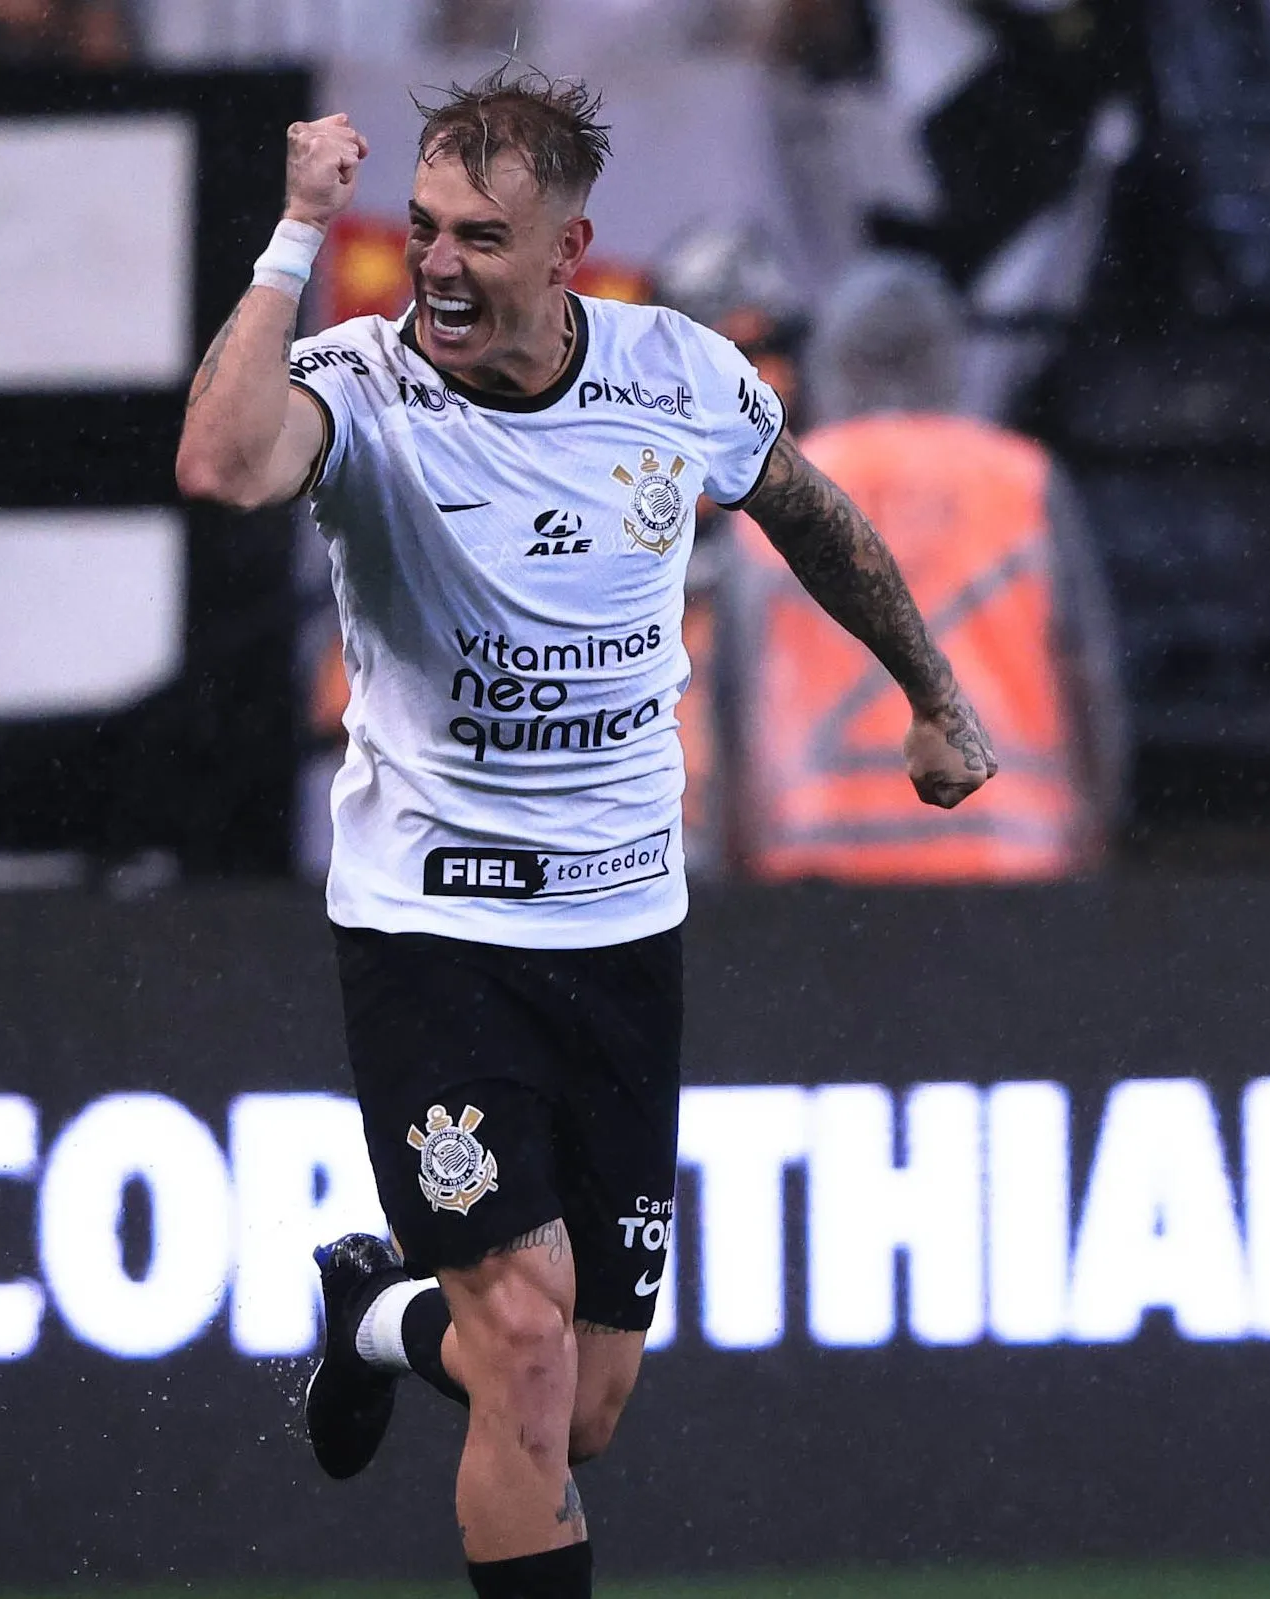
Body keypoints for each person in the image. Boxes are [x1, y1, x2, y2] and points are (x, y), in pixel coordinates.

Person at [171, 68, 996, 1599]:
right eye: (419, 228)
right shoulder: (364, 386)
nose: (438, 266)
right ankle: (424, 1317)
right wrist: (296, 231)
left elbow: (807, 509)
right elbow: (220, 462)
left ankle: (370, 1313)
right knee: (530, 1337)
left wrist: (931, 694)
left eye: (481, 236)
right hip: (431, 929)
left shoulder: (675, 371)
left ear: (570, 251)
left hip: (622, 933)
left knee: (585, 1403)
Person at [737, 255, 1126, 881]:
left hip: (824, 860)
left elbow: (733, 691)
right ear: (951, 355)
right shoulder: (1023, 481)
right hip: (1006, 852)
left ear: (832, 359)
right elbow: (1087, 675)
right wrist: (1097, 824)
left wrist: (737, 858)